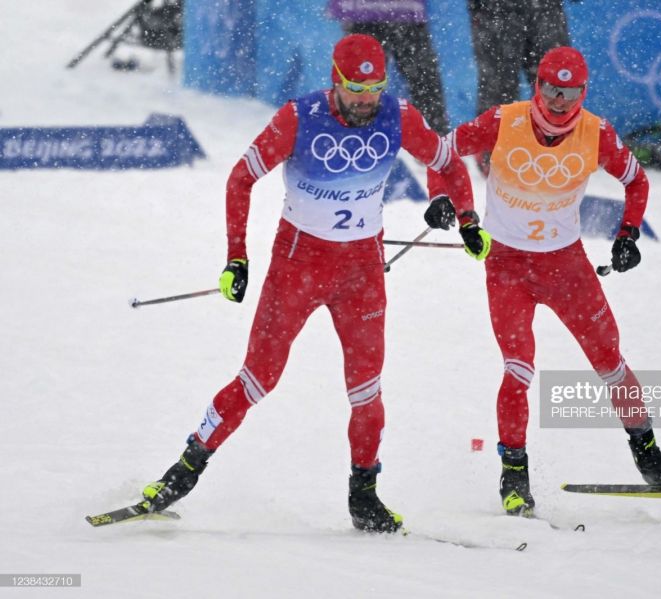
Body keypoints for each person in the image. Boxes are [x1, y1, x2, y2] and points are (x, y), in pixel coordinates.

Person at [138, 34, 480, 533]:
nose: (366, 99)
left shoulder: (398, 116)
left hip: (362, 272)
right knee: (258, 379)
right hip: (297, 266)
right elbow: (240, 178)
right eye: (356, 88)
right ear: (335, 81)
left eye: (375, 88)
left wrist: (462, 214)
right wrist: (237, 258)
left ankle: (364, 496)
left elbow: (446, 162)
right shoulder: (299, 118)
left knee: (366, 390)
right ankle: (183, 471)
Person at [430, 46, 661, 516]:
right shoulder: (504, 120)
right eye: (552, 89)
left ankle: (650, 457)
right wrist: (452, 207)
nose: (559, 101)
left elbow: (637, 181)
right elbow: (442, 155)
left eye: (570, 93)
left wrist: (629, 234)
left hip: (566, 268)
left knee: (610, 361)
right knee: (518, 369)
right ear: (538, 86)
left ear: (583, 93)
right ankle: (514, 474)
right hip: (508, 268)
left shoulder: (597, 133)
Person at [467, 0, 571, 175]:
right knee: (498, 86)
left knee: (557, 82)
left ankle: (558, 151)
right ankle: (495, 153)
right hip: (495, 8)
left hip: (546, 8)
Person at [328, 0, 451, 135]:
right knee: (358, 82)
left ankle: (349, 135)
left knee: (357, 83)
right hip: (384, 12)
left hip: (377, 11)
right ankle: (350, 136)